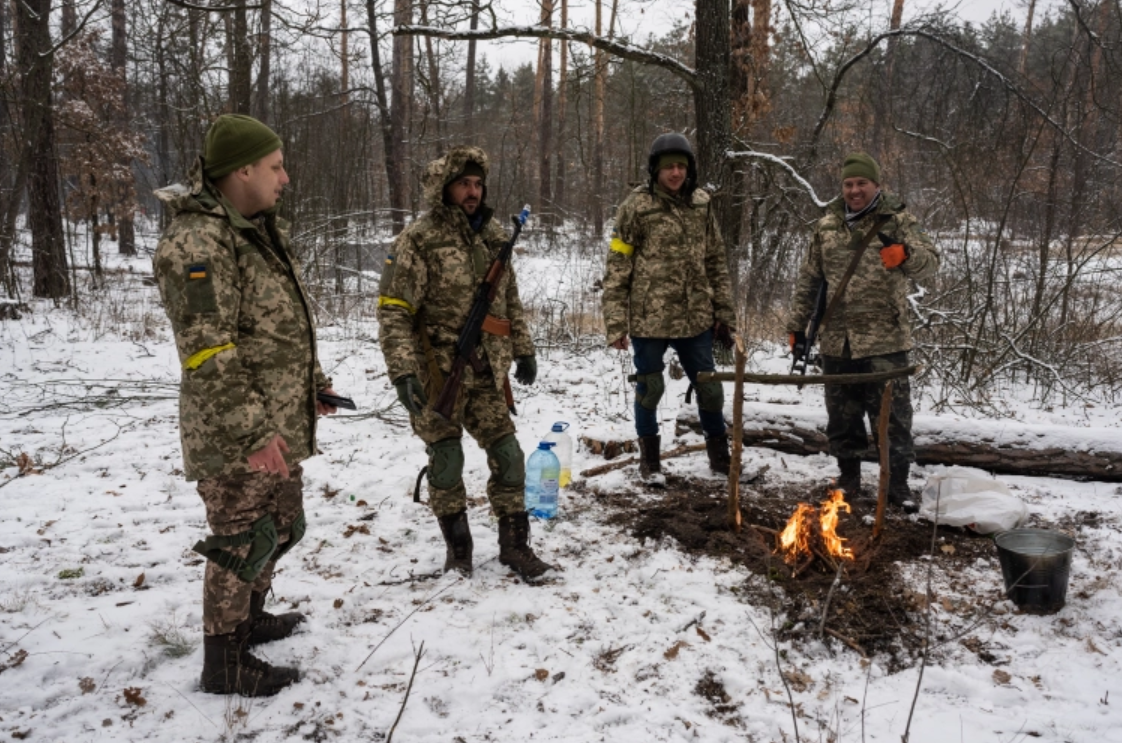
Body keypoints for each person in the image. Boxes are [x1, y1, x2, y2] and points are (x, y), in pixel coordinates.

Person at [153, 114, 340, 697]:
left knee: (283, 526)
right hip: (235, 431)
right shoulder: (198, 241)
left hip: (277, 420)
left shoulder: (255, 228)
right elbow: (208, 351)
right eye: (276, 166)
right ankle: (223, 661)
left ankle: (249, 616)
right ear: (243, 170)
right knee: (240, 539)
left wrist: (314, 384)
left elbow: (281, 324)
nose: (286, 177)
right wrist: (254, 432)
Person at [376, 146, 553, 581]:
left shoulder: (494, 235)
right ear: (445, 188)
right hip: (436, 372)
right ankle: (459, 550)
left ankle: (515, 547)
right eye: (463, 184)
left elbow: (509, 299)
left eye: (477, 183)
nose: (472, 192)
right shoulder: (419, 239)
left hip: (487, 370)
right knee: (446, 459)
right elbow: (394, 309)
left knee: (510, 455)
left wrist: (524, 348)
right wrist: (402, 371)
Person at [785, 152, 939, 504]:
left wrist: (906, 256)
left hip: (885, 340)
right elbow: (809, 280)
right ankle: (849, 478)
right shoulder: (826, 227)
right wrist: (797, 327)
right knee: (842, 417)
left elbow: (931, 262)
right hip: (837, 341)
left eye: (861, 183)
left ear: (876, 185)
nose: (854, 190)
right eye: (848, 184)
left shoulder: (898, 220)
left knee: (893, 418)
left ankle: (897, 485)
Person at [601, 132, 737, 481]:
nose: (675, 174)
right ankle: (650, 463)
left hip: (696, 317)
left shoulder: (702, 203)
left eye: (681, 167)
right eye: (668, 168)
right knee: (650, 388)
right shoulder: (636, 206)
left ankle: (721, 460)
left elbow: (716, 260)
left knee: (709, 388)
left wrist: (724, 313)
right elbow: (618, 264)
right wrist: (615, 322)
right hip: (650, 318)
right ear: (655, 170)